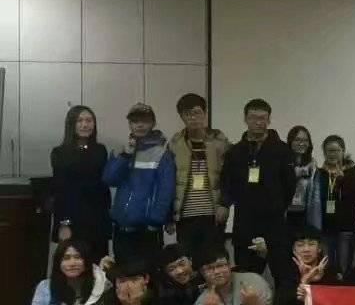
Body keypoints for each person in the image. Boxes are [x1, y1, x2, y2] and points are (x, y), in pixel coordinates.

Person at [220, 99, 297, 305]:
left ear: (269, 120)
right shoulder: (235, 152)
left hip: (275, 225)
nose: (258, 122)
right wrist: (226, 204)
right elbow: (227, 183)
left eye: (262, 118)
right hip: (245, 223)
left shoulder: (282, 150)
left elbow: (289, 185)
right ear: (245, 119)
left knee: (284, 278)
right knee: (245, 276)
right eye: (253, 118)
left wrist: (276, 206)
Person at [103, 103, 175, 265]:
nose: (140, 125)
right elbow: (109, 179)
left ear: (153, 123)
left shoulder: (161, 153)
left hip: (147, 229)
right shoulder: (120, 150)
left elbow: (166, 190)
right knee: (123, 274)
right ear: (130, 124)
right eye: (135, 121)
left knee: (148, 274)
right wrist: (126, 155)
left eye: (145, 121)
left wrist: (155, 221)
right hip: (121, 227)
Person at [168, 93, 230, 260]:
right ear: (181, 117)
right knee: (188, 261)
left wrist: (225, 203)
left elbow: (229, 176)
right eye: (187, 114)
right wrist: (168, 215)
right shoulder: (175, 143)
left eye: (197, 112)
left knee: (213, 260)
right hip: (185, 215)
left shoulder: (219, 142)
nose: (193, 118)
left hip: (213, 214)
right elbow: (169, 180)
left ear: (205, 113)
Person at [49, 105, 111, 263]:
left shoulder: (100, 150)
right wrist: (63, 223)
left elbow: (103, 188)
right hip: (72, 220)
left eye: (89, 121)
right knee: (75, 265)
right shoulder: (60, 152)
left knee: (98, 267)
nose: (85, 125)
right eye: (80, 121)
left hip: (97, 221)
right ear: (72, 124)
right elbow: (60, 191)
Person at [305, 135, 355, 275]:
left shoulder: (351, 170)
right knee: (327, 266)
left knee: (344, 266)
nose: (333, 154)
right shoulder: (320, 172)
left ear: (343, 151)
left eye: (336, 150)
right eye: (329, 151)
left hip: (346, 226)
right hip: (326, 227)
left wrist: (343, 180)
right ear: (324, 152)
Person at [286, 125, 316, 231]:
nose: (302, 144)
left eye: (305, 141)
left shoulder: (312, 163)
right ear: (290, 141)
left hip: (306, 212)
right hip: (285, 212)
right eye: (297, 140)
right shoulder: (283, 161)